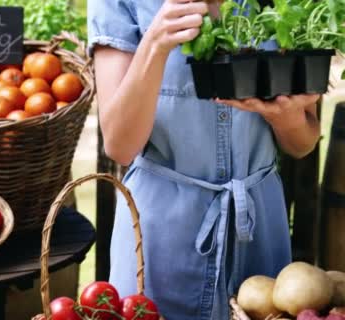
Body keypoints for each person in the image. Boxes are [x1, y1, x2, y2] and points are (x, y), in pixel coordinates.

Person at [87, 0, 321, 319]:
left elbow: (302, 143)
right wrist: (155, 42)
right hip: (159, 239)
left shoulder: (286, 6)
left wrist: (287, 118)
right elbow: (119, 146)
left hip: (258, 234)